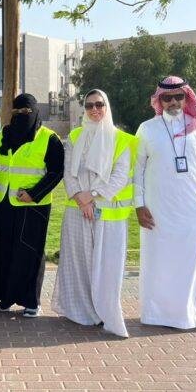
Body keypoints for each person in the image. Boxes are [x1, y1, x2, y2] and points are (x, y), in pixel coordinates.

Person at [134, 75, 196, 337]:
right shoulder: (147, 129)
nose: (173, 102)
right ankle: (162, 315)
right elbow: (137, 170)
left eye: (179, 97)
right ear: (159, 100)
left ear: (187, 98)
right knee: (161, 262)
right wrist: (139, 205)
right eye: (168, 97)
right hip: (158, 211)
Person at [51, 90, 135, 337]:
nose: (94, 109)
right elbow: (68, 172)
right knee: (78, 263)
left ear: (106, 106)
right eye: (89, 105)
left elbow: (119, 177)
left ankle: (104, 312)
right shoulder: (76, 136)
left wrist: (92, 195)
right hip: (78, 211)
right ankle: (82, 311)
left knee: (105, 267)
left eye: (99, 104)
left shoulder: (121, 139)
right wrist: (81, 199)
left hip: (108, 214)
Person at [0, 93, 64, 318]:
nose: (21, 115)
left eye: (26, 111)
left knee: (29, 251)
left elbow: (57, 172)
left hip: (32, 206)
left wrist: (34, 194)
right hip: (2, 203)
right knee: (4, 250)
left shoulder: (49, 138)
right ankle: (6, 296)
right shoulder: (4, 134)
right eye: (16, 111)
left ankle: (31, 301)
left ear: (35, 112)